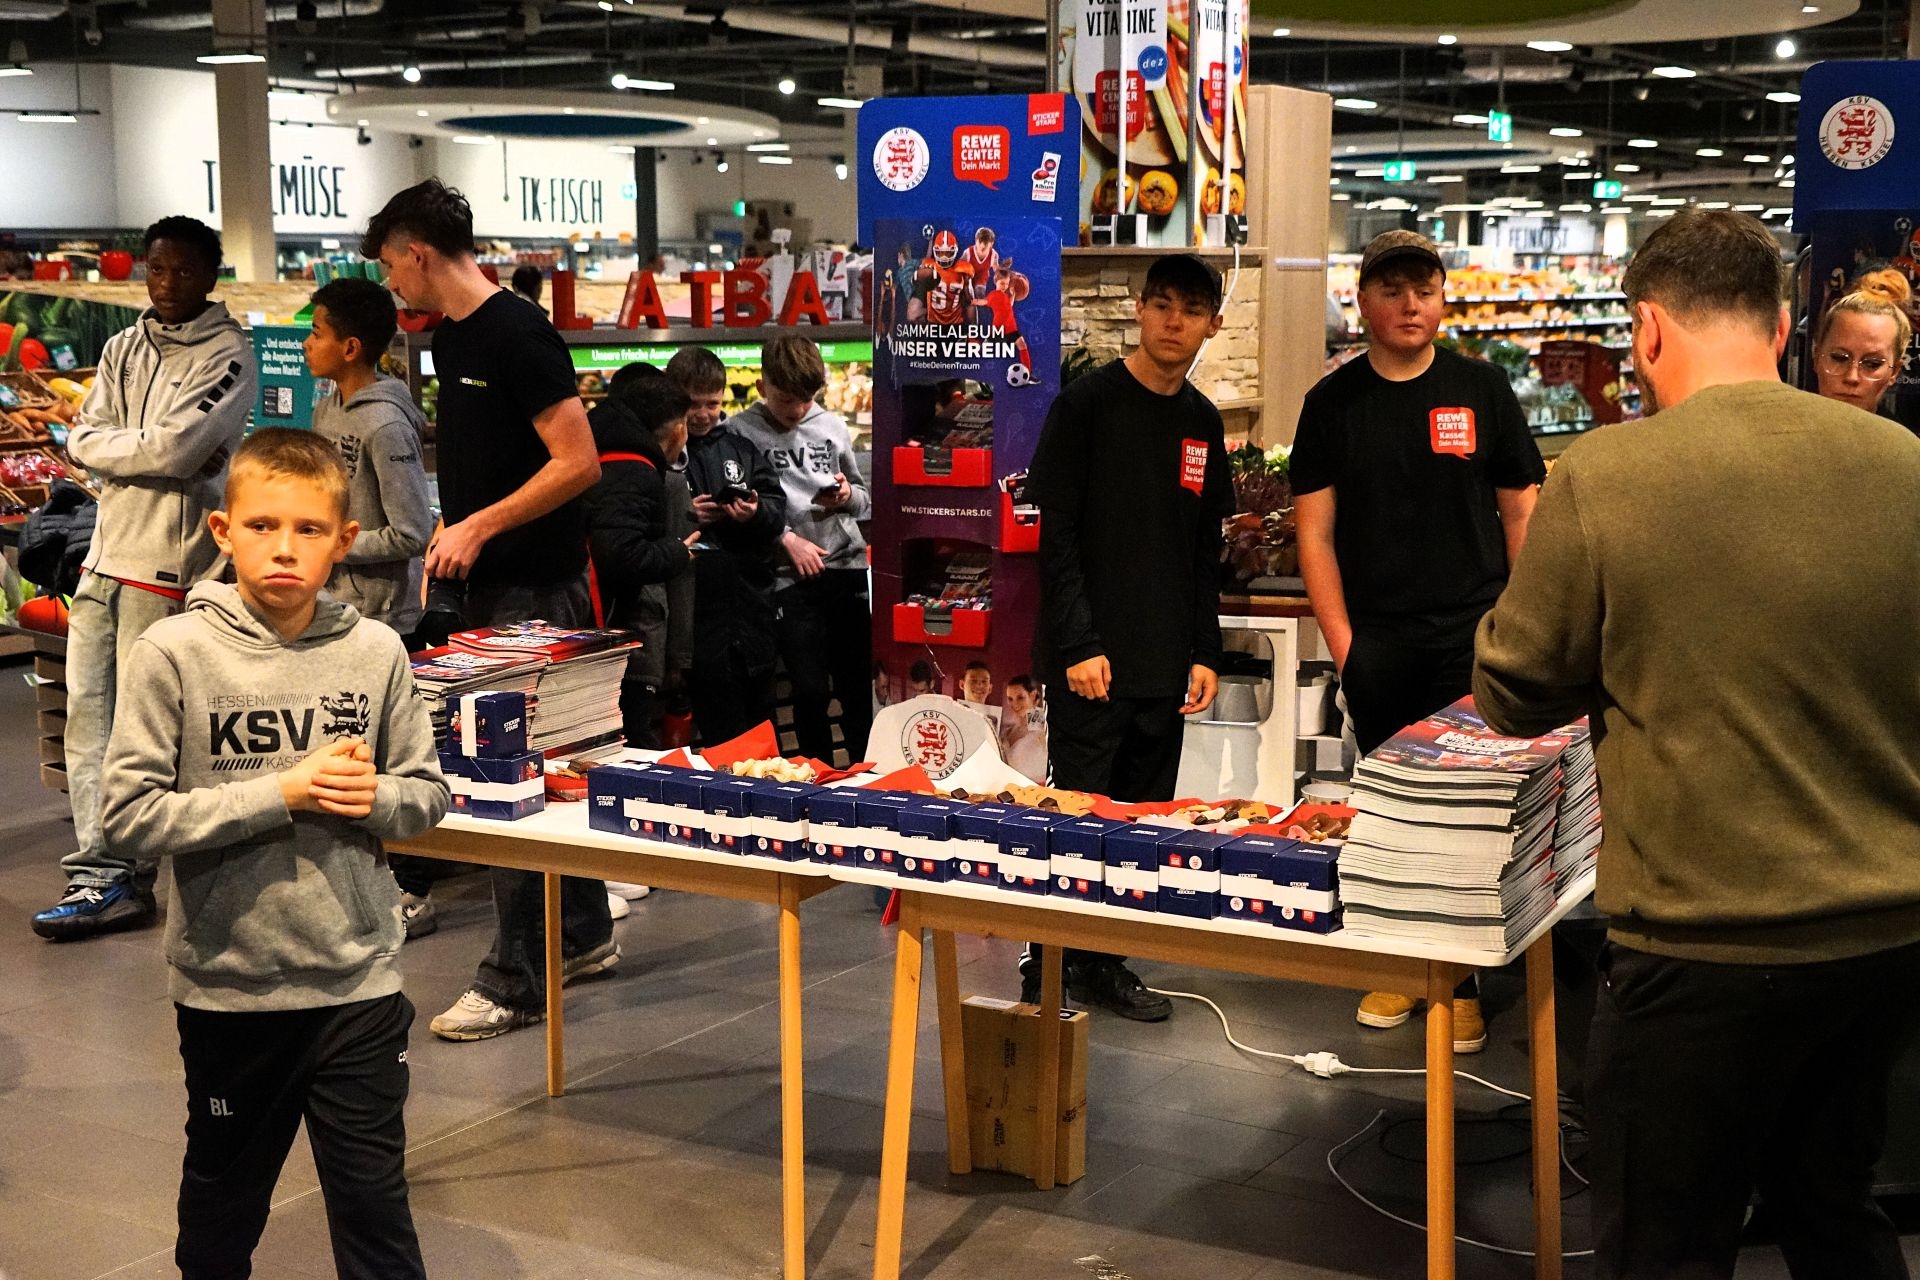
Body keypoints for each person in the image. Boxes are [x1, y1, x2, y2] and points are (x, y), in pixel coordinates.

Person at [1472, 209, 1920, 1280]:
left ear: (1647, 330)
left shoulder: (1607, 473)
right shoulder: (1902, 461)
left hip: (1698, 942)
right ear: (1783, 329)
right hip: (1881, 931)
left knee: (1667, 1245)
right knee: (1835, 1208)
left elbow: (1512, 688)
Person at [100, 428, 449, 1280]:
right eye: (262, 526)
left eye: (308, 529)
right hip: (229, 991)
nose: (284, 548)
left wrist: (377, 798)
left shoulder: (376, 652)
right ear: (223, 531)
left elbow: (426, 796)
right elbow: (128, 819)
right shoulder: (172, 654)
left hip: (359, 983)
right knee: (222, 1207)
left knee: (376, 1211)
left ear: (344, 539)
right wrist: (282, 793)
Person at [361, 179, 614, 1042]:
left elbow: (579, 463)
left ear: (418, 252)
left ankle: (515, 979)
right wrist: (453, 529)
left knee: (508, 781)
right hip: (485, 587)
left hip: (536, 592)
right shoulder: (450, 337)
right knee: (532, 771)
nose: (391, 282)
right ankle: (582, 933)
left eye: (392, 264)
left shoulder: (518, 333)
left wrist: (480, 525)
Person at [1291, 229, 1546, 1053]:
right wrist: (1345, 646)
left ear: (1442, 298)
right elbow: (1314, 534)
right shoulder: (1332, 403)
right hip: (1381, 643)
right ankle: (1402, 963)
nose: (1410, 304)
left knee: (1472, 811)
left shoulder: (1482, 388)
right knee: (1390, 810)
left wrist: (1521, 625)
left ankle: (1460, 982)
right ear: (1362, 301)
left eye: (1424, 289)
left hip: (1476, 639)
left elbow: (1522, 511)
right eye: (1392, 289)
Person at [1019, 253, 1232, 1021]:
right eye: (1163, 304)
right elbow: (1056, 541)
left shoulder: (1202, 422)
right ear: (1140, 309)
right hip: (1093, 663)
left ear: (1212, 324)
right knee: (1077, 817)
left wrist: (1205, 651)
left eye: (1192, 310)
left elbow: (1203, 551)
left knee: (1142, 824)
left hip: (1164, 664)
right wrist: (1079, 645)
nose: (1175, 322)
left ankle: (1105, 964)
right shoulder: (1087, 406)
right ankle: (1048, 965)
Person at [33, 215, 255, 942]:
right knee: (87, 722)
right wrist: (137, 449)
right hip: (103, 558)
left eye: (183, 270)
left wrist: (121, 448)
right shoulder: (123, 346)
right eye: (157, 269)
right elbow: (81, 438)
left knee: (142, 729)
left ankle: (134, 872)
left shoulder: (228, 354)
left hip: (167, 566)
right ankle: (98, 871)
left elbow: (177, 450)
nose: (167, 283)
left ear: (209, 276)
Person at [730, 334, 874, 763]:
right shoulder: (739, 432)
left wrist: (846, 496)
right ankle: (817, 778)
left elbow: (865, 501)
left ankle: (869, 778)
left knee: (856, 687)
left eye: (806, 400)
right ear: (762, 386)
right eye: (785, 400)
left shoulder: (832, 426)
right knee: (809, 691)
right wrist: (784, 539)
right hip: (787, 580)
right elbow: (738, 513)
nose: (796, 411)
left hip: (845, 569)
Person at [664, 345, 787, 745]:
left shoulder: (740, 448)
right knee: (720, 734)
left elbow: (775, 508)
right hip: (698, 619)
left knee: (763, 729)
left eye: (712, 404)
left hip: (752, 611)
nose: (703, 414)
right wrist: (686, 515)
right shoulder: (661, 453)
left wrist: (754, 512)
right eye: (693, 404)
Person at [304, 276, 433, 640]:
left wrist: (335, 545)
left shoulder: (387, 425)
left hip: (383, 621)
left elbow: (412, 534)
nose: (306, 344)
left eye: (316, 333)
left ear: (350, 348)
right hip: (328, 605)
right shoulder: (324, 410)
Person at [584, 365, 698, 749]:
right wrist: (677, 552)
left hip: (589, 630)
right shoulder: (645, 472)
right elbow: (623, 554)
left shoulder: (593, 453)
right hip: (629, 635)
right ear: (678, 429)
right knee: (631, 745)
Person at [1812, 272, 1910, 416]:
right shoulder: (1785, 425)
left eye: (1872, 364)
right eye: (1839, 358)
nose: (1852, 377)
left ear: (1894, 372)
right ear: (1816, 358)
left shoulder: (1900, 433)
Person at [999, 674, 1049, 781]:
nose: (1015, 704)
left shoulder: (1042, 726)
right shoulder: (1007, 730)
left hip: (1036, 788)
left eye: (1020, 697)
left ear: (1033, 695)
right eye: (1010, 699)